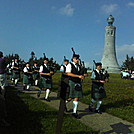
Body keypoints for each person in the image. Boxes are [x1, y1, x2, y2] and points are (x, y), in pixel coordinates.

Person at [65, 54, 87, 118]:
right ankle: (64, 104)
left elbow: (80, 73)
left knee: (77, 96)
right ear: (73, 59)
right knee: (70, 97)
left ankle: (74, 112)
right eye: (76, 59)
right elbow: (68, 73)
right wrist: (78, 76)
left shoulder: (79, 66)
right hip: (72, 81)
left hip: (78, 82)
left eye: (78, 59)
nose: (77, 60)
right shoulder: (69, 65)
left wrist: (84, 74)